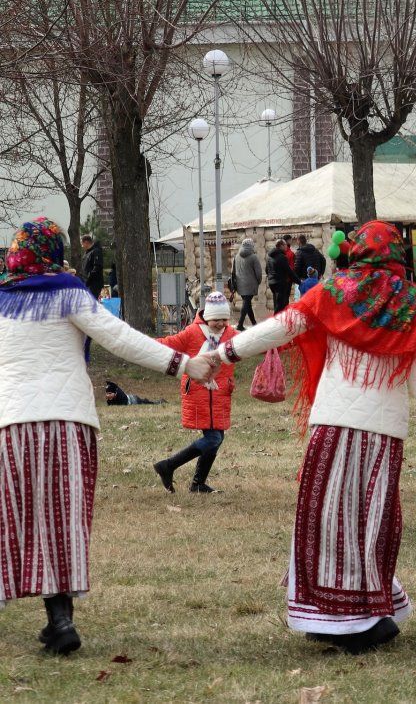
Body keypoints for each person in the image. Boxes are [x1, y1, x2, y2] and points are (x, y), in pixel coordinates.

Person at [210, 221, 416, 653]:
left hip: (335, 422)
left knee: (327, 519)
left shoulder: (334, 291)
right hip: (385, 432)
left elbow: (280, 327)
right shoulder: (412, 302)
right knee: (371, 521)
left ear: (356, 251)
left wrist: (224, 353)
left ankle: (340, 619)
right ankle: (370, 612)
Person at [0, 218, 216, 655]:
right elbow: (120, 338)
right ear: (55, 252)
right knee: (62, 521)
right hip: (67, 423)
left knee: (12, 520)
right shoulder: (69, 292)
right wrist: (185, 364)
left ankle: (49, 617)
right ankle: (60, 621)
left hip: (11, 427)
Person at [153, 292, 239, 494]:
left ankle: (198, 483)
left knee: (218, 438)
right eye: (216, 319)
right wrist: (140, 344)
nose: (220, 324)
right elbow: (167, 344)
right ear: (207, 317)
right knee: (213, 439)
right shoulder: (192, 332)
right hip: (198, 392)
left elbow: (253, 342)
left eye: (224, 319)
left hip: (220, 394)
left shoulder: (231, 335)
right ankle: (168, 465)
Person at [233, 238, 263, 330]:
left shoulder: (236, 256)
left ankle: (254, 323)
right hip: (251, 284)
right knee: (246, 303)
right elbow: (258, 272)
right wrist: (258, 281)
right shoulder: (253, 257)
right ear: (251, 246)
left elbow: (233, 271)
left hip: (239, 284)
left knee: (247, 303)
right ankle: (240, 324)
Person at [266, 239, 301, 314]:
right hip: (280, 283)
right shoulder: (281, 257)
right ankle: (274, 322)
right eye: (285, 245)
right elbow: (289, 271)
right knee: (280, 305)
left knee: (276, 303)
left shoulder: (269, 256)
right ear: (281, 246)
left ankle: (278, 321)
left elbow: (267, 270)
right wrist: (299, 282)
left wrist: (271, 277)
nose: (286, 247)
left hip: (272, 282)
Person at [80, 234, 104, 299]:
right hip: (87, 283)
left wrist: (88, 278)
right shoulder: (86, 253)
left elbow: (97, 267)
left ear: (86, 242)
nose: (82, 246)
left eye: (82, 244)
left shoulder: (96, 251)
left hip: (94, 284)